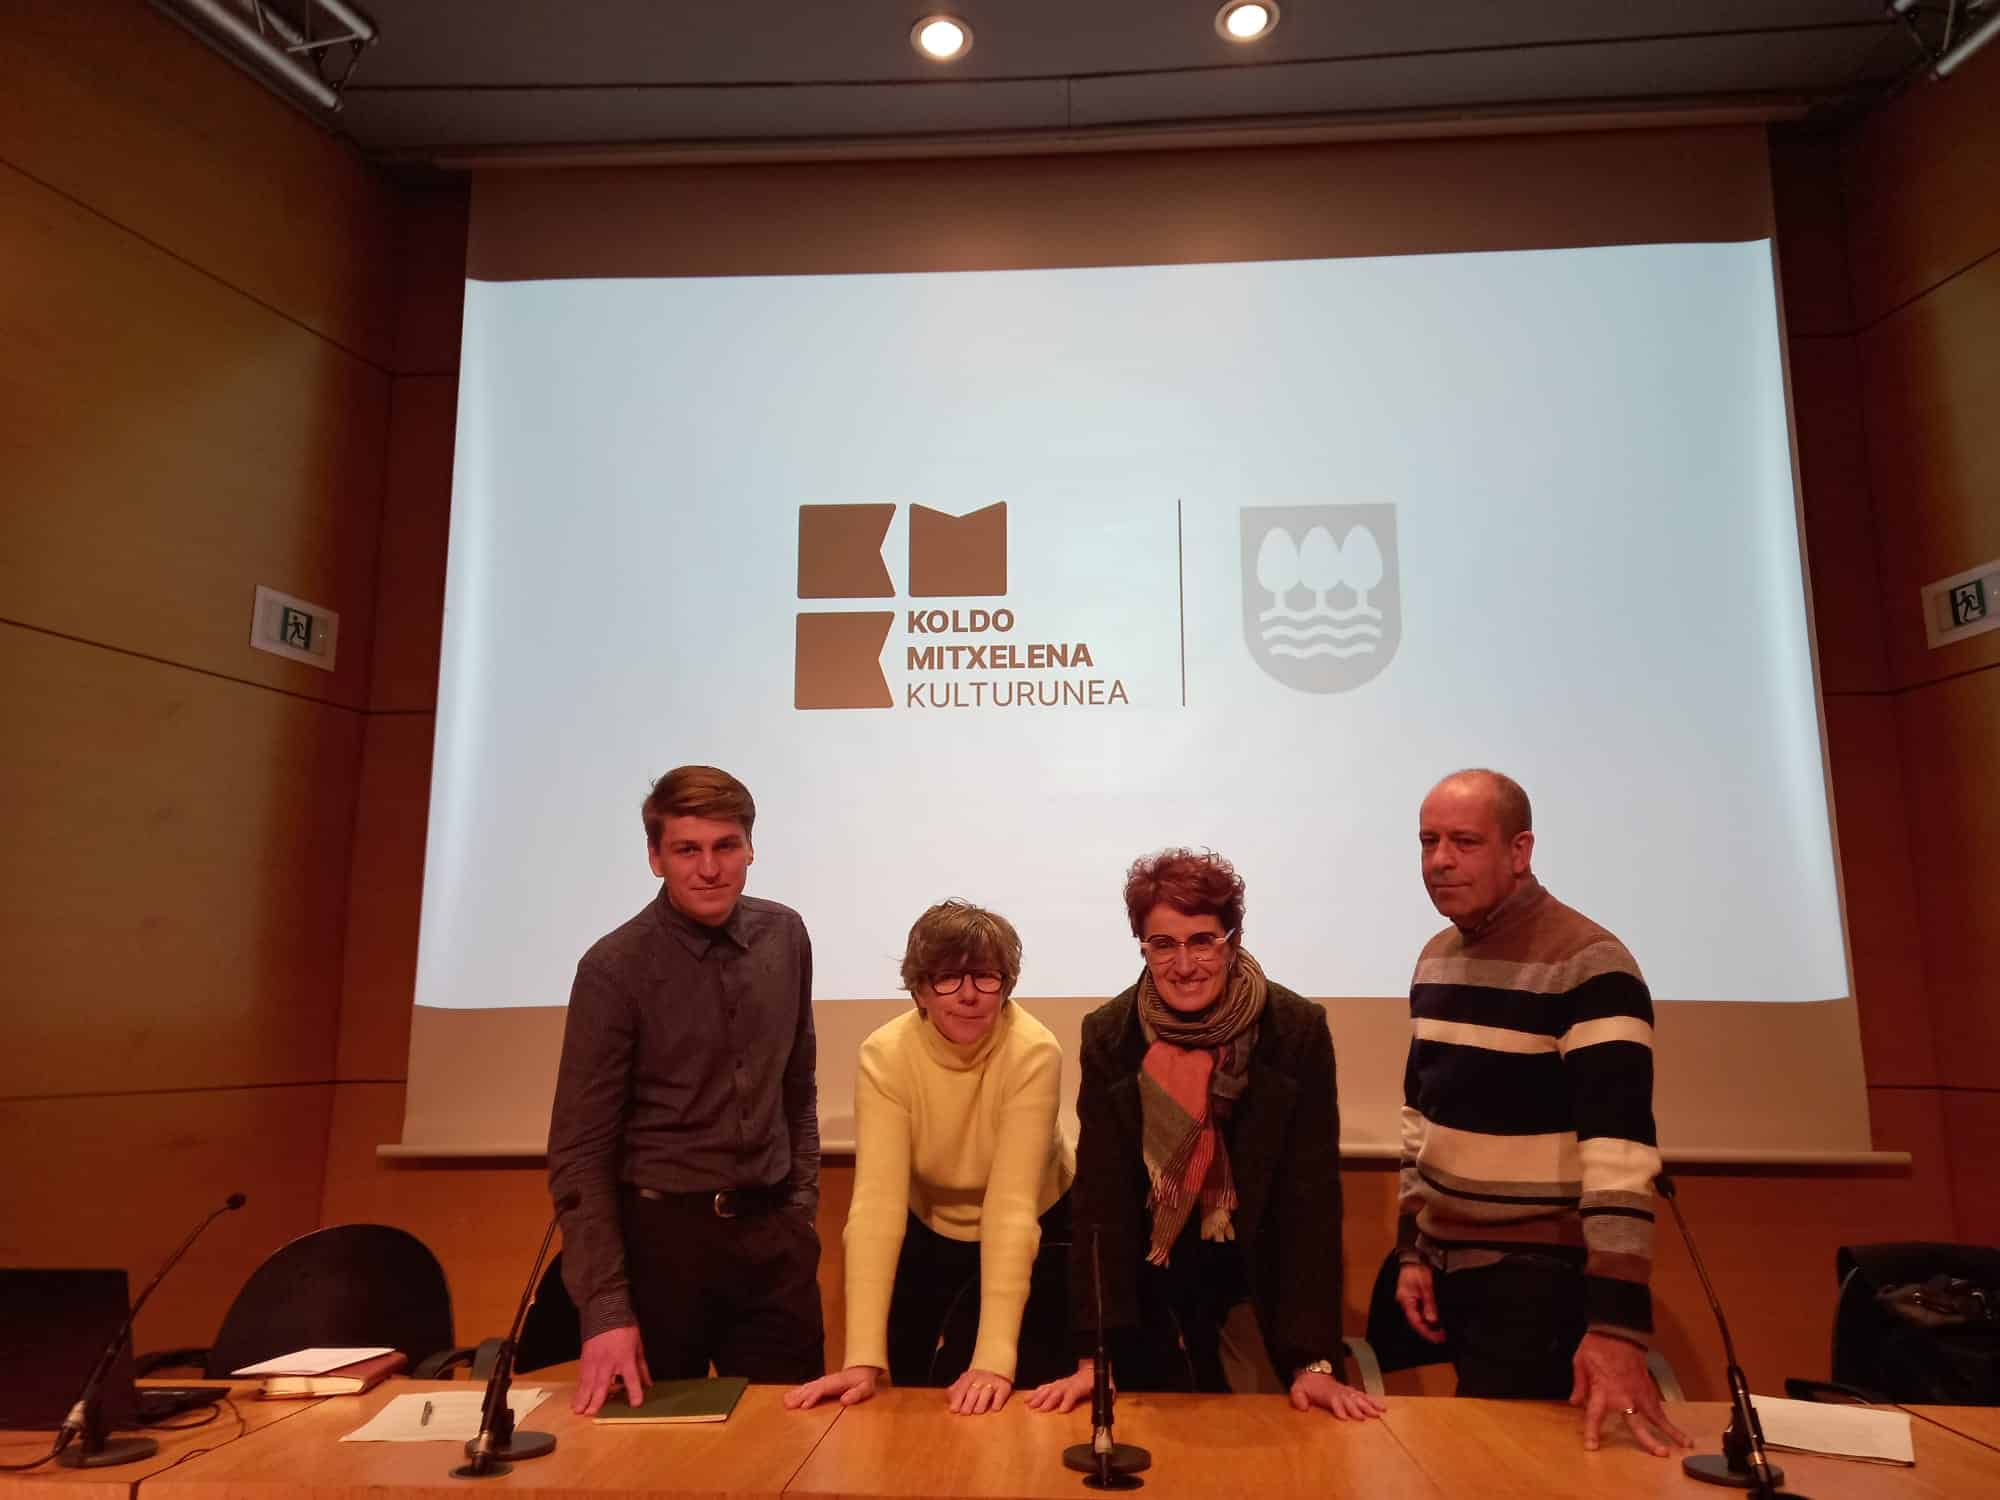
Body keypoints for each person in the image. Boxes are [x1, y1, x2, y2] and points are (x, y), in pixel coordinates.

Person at [1026, 849, 1383, 1421]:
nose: (1184, 963)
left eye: (1202, 941)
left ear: (1232, 943)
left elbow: (1308, 1201)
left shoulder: (1295, 1030)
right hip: (1149, 1284)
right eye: (1163, 944)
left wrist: (1312, 1360)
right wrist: (1097, 1355)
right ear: (1143, 947)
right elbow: (1102, 1204)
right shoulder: (1111, 1034)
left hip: (1255, 1284)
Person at [1396, 768, 1690, 1455]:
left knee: (1512, 1469)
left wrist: (1616, 1326)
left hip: (1542, 1277)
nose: (1440, 860)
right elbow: (1420, 1119)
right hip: (1449, 1269)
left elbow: (1620, 1153)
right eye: (1429, 841)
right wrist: (1414, 1248)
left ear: (1520, 851)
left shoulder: (1590, 964)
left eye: (1465, 842)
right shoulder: (1436, 958)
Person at [548, 765, 822, 1415]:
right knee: (653, 1452)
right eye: (687, 850)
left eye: (726, 846)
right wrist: (606, 1308)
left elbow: (797, 1087)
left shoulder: (785, 936)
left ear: (750, 848)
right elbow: (580, 1150)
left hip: (773, 1241)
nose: (709, 869)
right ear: (655, 858)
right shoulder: (614, 968)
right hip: (660, 1249)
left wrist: (800, 1209)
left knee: (788, 1440)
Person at [784, 901, 1075, 1417]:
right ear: (919, 990)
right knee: (908, 1391)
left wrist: (994, 1362)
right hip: (930, 1225)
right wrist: (861, 1360)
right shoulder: (886, 1054)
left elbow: (1011, 1210)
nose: (968, 994)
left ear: (1006, 986)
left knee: (1011, 1397)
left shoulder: (1033, 1051)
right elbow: (875, 1207)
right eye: (947, 978)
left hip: (1038, 1225)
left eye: (985, 976)